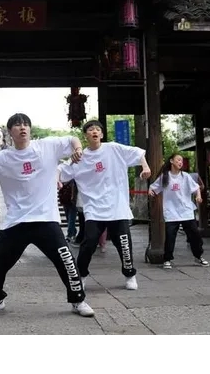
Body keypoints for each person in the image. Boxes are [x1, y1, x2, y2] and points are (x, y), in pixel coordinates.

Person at [0, 113, 94, 317]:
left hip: (46, 219)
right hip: (16, 221)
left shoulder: (46, 147)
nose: (23, 127)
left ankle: (78, 300)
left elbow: (72, 139)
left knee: (66, 260)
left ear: (30, 129)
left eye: (26, 124)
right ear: (9, 131)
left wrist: (78, 149)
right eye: (17, 125)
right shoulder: (2, 158)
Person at [58, 120, 151, 290]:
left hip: (117, 207)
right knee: (88, 243)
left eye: (97, 129)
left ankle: (129, 274)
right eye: (90, 129)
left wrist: (145, 167)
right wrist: (57, 179)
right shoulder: (79, 158)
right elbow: (60, 171)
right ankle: (81, 275)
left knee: (124, 243)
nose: (94, 131)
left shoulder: (114, 149)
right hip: (94, 209)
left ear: (101, 134)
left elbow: (138, 153)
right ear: (85, 136)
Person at [148, 153, 209, 269]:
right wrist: (150, 191)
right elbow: (153, 186)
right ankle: (167, 259)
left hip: (186, 211)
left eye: (181, 161)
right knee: (170, 237)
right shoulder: (165, 176)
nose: (180, 162)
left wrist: (198, 196)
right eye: (178, 160)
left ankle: (198, 256)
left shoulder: (185, 176)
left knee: (195, 235)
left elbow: (196, 187)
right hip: (171, 212)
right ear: (171, 161)